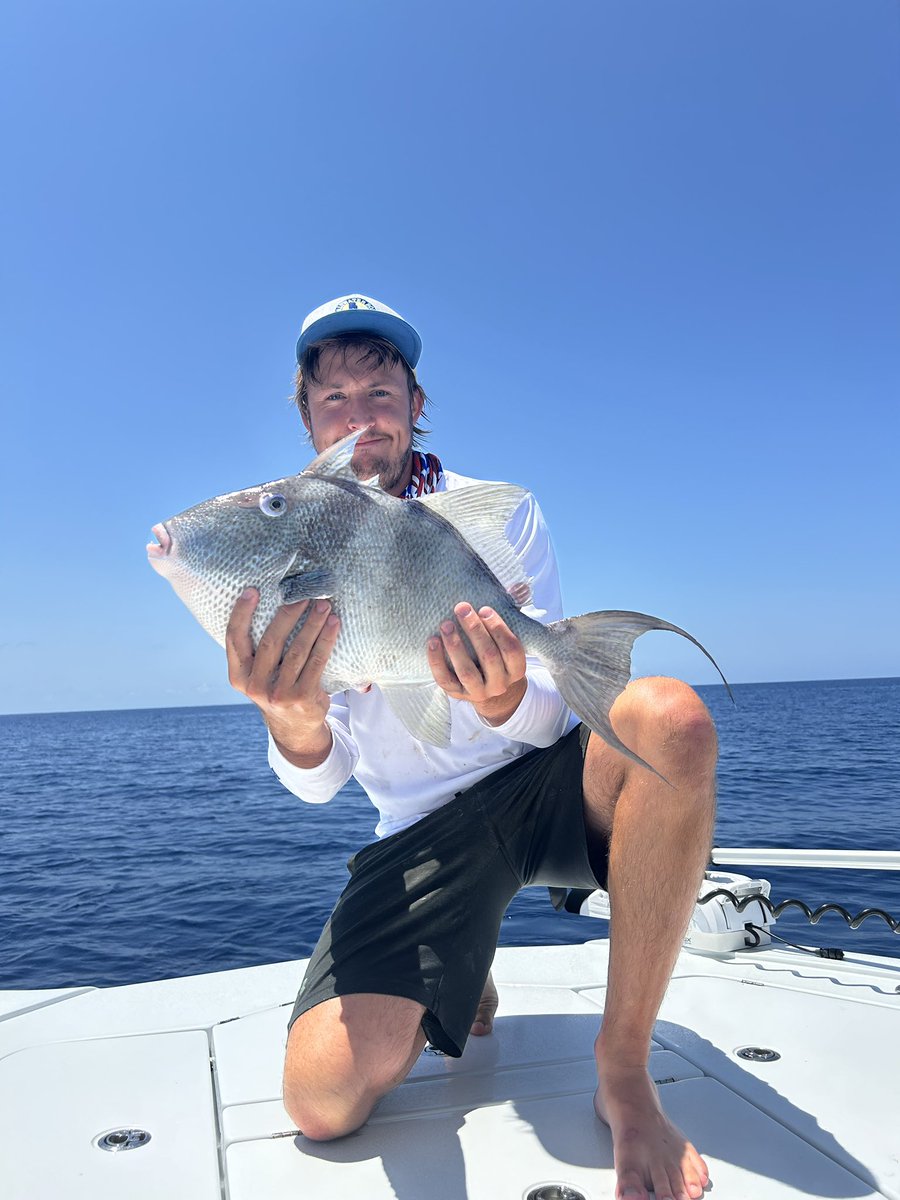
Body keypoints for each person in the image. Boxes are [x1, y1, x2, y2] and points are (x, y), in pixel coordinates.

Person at [225, 294, 717, 1200]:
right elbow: (320, 781)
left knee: (668, 717)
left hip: (544, 784)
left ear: (417, 402)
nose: (360, 414)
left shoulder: (495, 513)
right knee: (321, 1103)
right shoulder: (284, 539)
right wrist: (292, 722)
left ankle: (624, 1069)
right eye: (333, 398)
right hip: (420, 831)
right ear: (306, 418)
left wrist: (499, 704)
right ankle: (467, 970)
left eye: (381, 389)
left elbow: (548, 716)